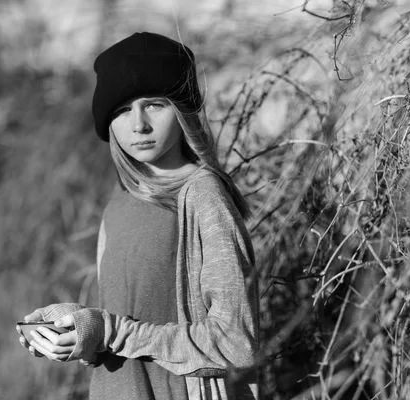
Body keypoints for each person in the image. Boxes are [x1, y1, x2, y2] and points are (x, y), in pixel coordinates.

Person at [18, 32, 259, 400]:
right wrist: (72, 327)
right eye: (122, 110)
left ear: (182, 111)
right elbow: (118, 325)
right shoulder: (118, 203)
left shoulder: (202, 196)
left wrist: (110, 332)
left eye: (155, 105)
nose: (139, 125)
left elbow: (235, 343)